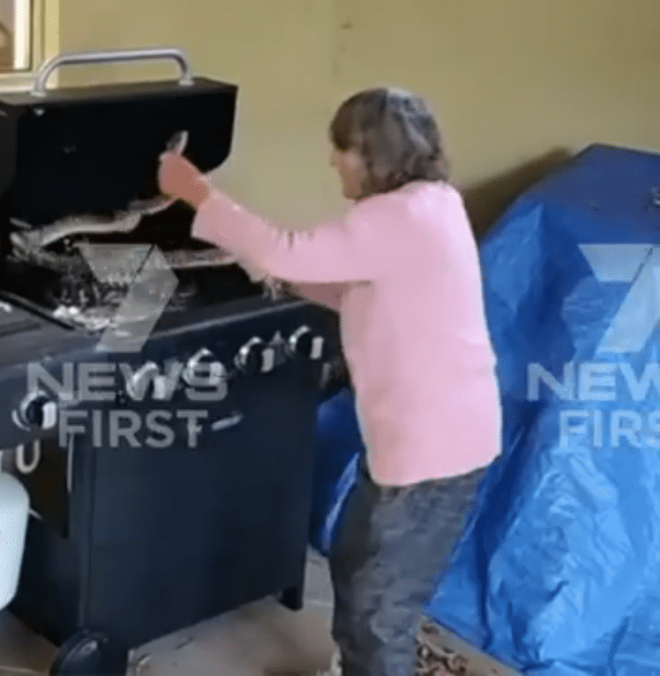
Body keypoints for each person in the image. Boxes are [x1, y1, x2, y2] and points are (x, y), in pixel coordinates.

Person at [157, 87, 501, 675]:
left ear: (372, 153)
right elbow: (355, 285)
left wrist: (197, 193)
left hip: (432, 450)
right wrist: (282, 279)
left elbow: (287, 249)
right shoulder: (431, 204)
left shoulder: (402, 217)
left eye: (340, 149)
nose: (332, 162)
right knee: (357, 563)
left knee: (378, 606)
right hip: (429, 438)